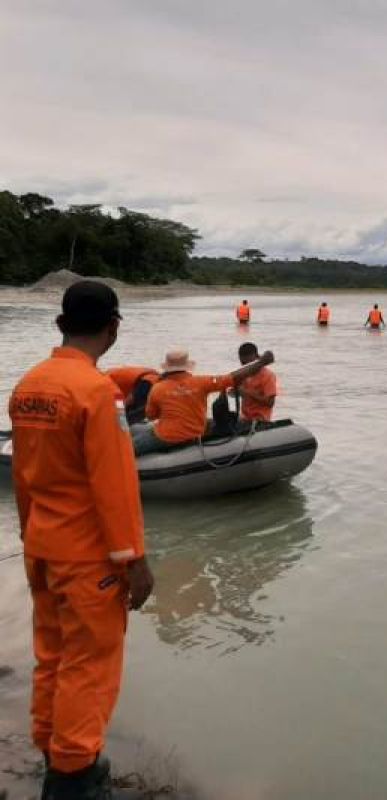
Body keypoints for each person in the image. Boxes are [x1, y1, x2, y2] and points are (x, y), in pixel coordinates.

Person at [8, 281, 154, 799]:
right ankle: (72, 774)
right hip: (88, 556)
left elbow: (22, 478)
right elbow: (114, 485)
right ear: (112, 328)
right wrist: (133, 559)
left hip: (42, 547)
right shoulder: (96, 392)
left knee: (51, 655)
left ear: (59, 324)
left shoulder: (28, 385)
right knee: (89, 665)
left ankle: (51, 747)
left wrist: (30, 538)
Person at [133, 347, 275, 455]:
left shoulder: (157, 388)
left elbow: (151, 416)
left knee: (130, 447)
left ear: (167, 369)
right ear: (187, 367)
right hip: (195, 433)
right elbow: (232, 377)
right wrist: (261, 362)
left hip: (166, 436)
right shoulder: (202, 382)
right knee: (211, 422)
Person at [234, 342, 278, 424]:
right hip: (244, 418)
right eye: (243, 363)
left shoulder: (268, 376)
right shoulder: (244, 375)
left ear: (255, 357)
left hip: (260, 420)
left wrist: (247, 393)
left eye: (247, 363)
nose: (245, 366)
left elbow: (270, 402)